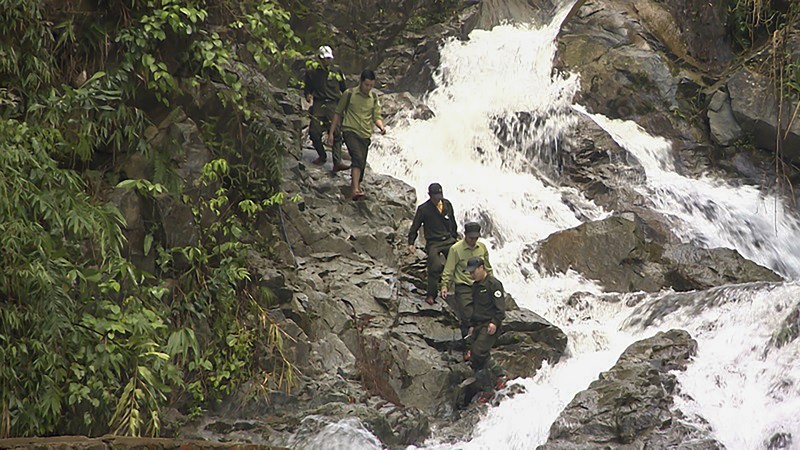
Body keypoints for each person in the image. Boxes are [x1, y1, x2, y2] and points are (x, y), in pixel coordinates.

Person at [327, 69, 386, 200]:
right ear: (360, 82)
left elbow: (376, 116)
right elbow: (337, 113)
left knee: (361, 165)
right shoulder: (349, 94)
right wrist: (331, 133)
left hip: (365, 134)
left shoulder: (374, 98)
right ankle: (355, 190)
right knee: (357, 158)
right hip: (350, 131)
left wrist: (381, 126)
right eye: (366, 85)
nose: (369, 88)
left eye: (371, 85)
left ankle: (355, 189)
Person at [465, 256, 507, 403]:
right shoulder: (475, 286)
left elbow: (500, 309)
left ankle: (501, 374)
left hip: (490, 325)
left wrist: (494, 323)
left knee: (478, 352)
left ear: (482, 268)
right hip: (477, 325)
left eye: (473, 271)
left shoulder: (494, 284)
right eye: (470, 272)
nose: (472, 275)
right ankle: (488, 389)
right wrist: (471, 326)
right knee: (474, 360)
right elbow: (475, 308)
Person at [441, 221, 493, 340]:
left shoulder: (482, 248)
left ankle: (480, 342)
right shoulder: (455, 249)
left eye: (476, 238)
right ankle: (468, 346)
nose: (473, 240)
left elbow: (487, 267)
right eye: (471, 237)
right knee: (467, 316)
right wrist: (444, 285)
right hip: (464, 286)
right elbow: (449, 268)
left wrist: (491, 283)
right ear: (465, 234)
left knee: (482, 315)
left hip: (480, 285)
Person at [408, 183, 458, 305]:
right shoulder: (423, 209)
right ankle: (431, 294)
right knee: (434, 266)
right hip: (434, 242)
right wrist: (411, 242)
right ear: (429, 195)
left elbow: (453, 222)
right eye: (435, 196)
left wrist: (454, 237)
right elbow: (415, 226)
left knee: (458, 262)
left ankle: (462, 290)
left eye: (439, 195)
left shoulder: (447, 205)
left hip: (448, 239)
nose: (437, 198)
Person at [303, 45, 349, 172]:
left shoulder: (337, 71)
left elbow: (344, 88)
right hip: (319, 104)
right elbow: (307, 88)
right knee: (314, 132)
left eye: (329, 59)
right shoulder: (312, 72)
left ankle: (337, 162)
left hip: (334, 104)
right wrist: (307, 95)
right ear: (319, 58)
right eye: (324, 59)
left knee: (337, 133)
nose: (327, 61)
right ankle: (322, 156)